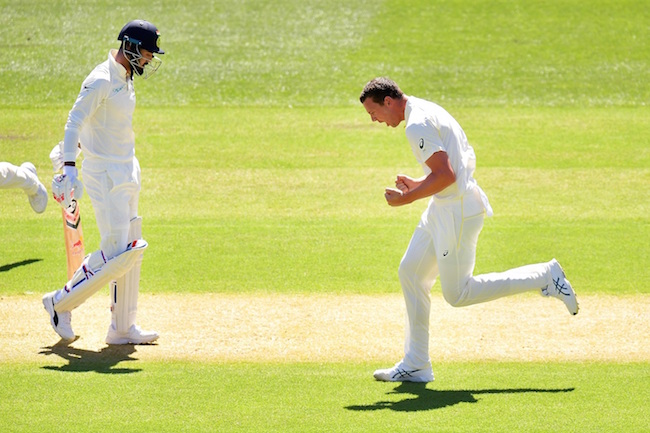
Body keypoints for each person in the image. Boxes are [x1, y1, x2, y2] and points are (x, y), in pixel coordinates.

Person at [359, 77, 578, 383]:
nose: (374, 120)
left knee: (458, 293)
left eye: (374, 112)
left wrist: (407, 197)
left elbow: (447, 175)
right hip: (443, 206)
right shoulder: (422, 109)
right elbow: (446, 172)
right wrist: (419, 184)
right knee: (411, 272)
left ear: (388, 101)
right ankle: (417, 363)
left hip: (457, 211)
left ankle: (545, 275)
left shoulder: (416, 125)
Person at [42, 20, 165, 345]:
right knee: (116, 251)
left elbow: (102, 125)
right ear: (130, 47)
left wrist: (74, 149)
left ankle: (122, 328)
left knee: (130, 246)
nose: (150, 59)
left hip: (127, 169)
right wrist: (68, 166)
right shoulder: (100, 78)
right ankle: (58, 303)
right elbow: (75, 120)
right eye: (148, 53)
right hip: (104, 174)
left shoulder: (125, 77)